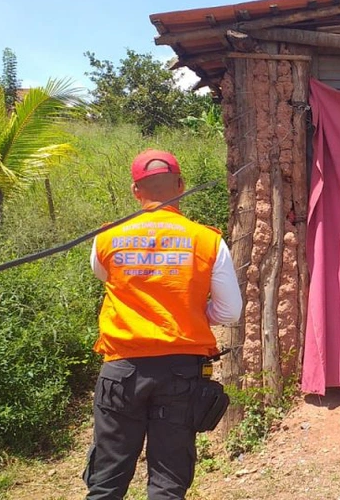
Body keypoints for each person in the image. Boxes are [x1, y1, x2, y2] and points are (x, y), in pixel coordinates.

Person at [84, 149, 242, 500]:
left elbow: (105, 277)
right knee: (168, 482)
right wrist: (192, 313)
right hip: (181, 375)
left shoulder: (106, 240)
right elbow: (230, 312)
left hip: (121, 372)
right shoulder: (207, 241)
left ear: (135, 191)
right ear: (182, 185)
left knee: (106, 481)